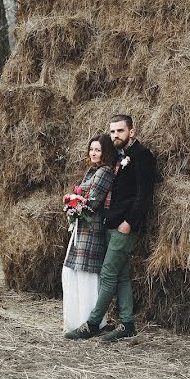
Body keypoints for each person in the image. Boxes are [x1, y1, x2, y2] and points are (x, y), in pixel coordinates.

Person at [65, 114, 156, 341]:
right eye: (113, 131)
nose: (116, 135)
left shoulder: (142, 156)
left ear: (131, 132)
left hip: (125, 226)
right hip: (111, 223)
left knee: (107, 274)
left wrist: (130, 222)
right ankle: (127, 324)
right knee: (122, 276)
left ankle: (93, 324)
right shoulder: (117, 157)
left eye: (120, 131)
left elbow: (145, 195)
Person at [61, 134, 116, 333]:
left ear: (106, 152)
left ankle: (92, 321)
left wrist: (74, 202)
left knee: (87, 275)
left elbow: (93, 203)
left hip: (91, 229)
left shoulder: (104, 172)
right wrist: (72, 202)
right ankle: (77, 320)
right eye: (91, 149)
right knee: (74, 272)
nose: (93, 153)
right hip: (82, 227)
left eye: (98, 150)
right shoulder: (93, 171)